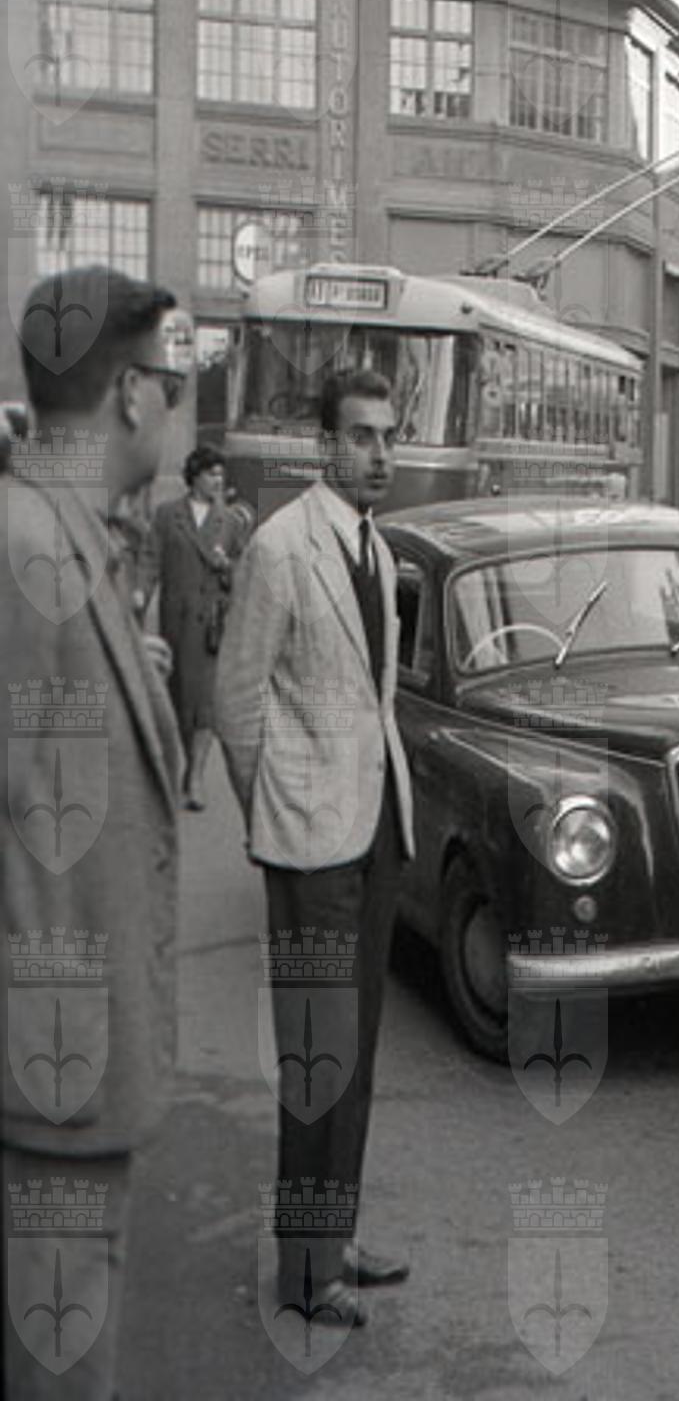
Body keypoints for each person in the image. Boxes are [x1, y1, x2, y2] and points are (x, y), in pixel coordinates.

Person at [3, 268, 191, 1401]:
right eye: (173, 385)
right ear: (129, 393)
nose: (172, 408)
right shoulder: (26, 548)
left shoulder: (67, 539)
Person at [216, 366, 417, 1325]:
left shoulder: (374, 546)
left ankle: (331, 1241)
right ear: (324, 446)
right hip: (310, 845)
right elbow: (236, 701)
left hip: (375, 831)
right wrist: (277, 813)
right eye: (362, 436)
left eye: (389, 436)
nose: (380, 454)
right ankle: (303, 1277)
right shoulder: (279, 546)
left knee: (358, 1054)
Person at [148, 444, 248, 811]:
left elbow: (245, 575)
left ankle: (195, 777)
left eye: (222, 474)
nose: (218, 481)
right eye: (211, 474)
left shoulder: (231, 522)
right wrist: (139, 594)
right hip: (175, 622)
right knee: (178, 699)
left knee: (205, 704)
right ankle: (185, 762)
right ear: (194, 477)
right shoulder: (167, 515)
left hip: (211, 627)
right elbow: (150, 559)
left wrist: (227, 568)